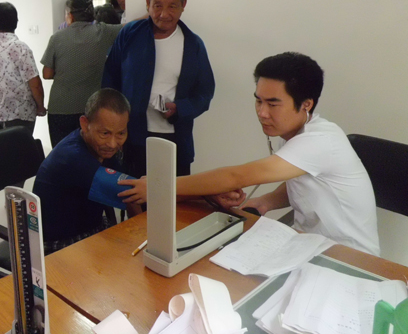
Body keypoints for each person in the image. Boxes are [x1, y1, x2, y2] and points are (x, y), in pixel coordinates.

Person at [119, 52, 380, 256]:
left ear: (306, 104)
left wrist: (160, 187)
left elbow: (236, 176)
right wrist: (265, 202)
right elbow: (302, 182)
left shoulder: (320, 141)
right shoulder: (297, 134)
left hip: (350, 258)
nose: (262, 112)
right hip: (308, 246)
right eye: (258, 100)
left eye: (273, 104)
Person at [103, 0, 215, 178]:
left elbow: (205, 93)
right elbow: (110, 80)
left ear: (183, 5)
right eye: (157, 6)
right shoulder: (129, 35)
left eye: (172, 6)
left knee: (175, 194)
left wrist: (180, 108)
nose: (164, 14)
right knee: (133, 191)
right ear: (148, 3)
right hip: (131, 135)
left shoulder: (193, 45)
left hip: (174, 139)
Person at [33, 88, 135, 253]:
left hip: (90, 226)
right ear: (85, 124)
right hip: (60, 244)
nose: (113, 144)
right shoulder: (73, 157)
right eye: (105, 133)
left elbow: (129, 188)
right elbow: (132, 193)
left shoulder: (99, 145)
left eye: (121, 134)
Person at [42, 0, 123, 147]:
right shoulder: (103, 32)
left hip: (60, 107)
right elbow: (129, 26)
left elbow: (47, 74)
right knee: (89, 151)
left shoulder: (57, 37)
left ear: (70, 15)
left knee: (62, 151)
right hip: (90, 108)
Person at [0, 2, 46, 134]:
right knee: (20, 147)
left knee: (1, 146)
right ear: (16, 22)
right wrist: (40, 106)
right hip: (20, 114)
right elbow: (35, 84)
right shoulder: (21, 48)